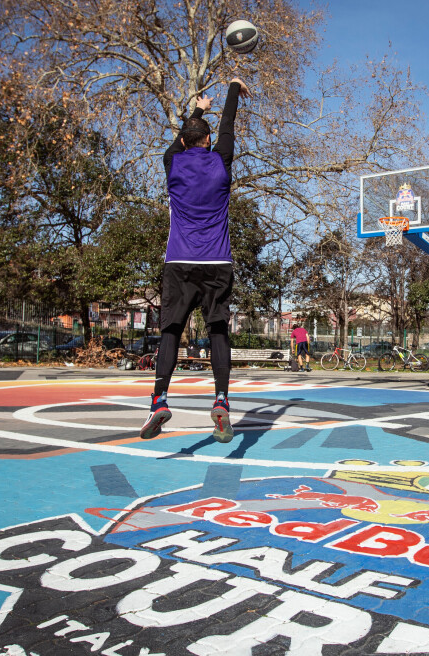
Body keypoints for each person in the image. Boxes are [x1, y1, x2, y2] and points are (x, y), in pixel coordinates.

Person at [141, 78, 249, 443]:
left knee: (170, 330)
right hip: (218, 262)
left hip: (179, 262)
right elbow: (228, 126)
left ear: (184, 140)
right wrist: (234, 89)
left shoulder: (172, 162)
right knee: (217, 329)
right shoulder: (221, 161)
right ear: (208, 141)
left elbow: (183, 140)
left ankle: (159, 401)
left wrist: (198, 109)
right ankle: (220, 399)